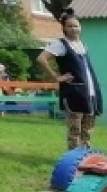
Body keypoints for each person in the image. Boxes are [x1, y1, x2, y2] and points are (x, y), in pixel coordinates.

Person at [37, 10, 103, 149]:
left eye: (76, 25)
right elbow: (41, 59)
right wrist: (56, 77)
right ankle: (74, 160)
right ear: (64, 28)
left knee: (88, 129)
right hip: (74, 93)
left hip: (89, 93)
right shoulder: (60, 44)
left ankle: (85, 156)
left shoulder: (82, 45)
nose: (74, 29)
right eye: (70, 26)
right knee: (75, 130)